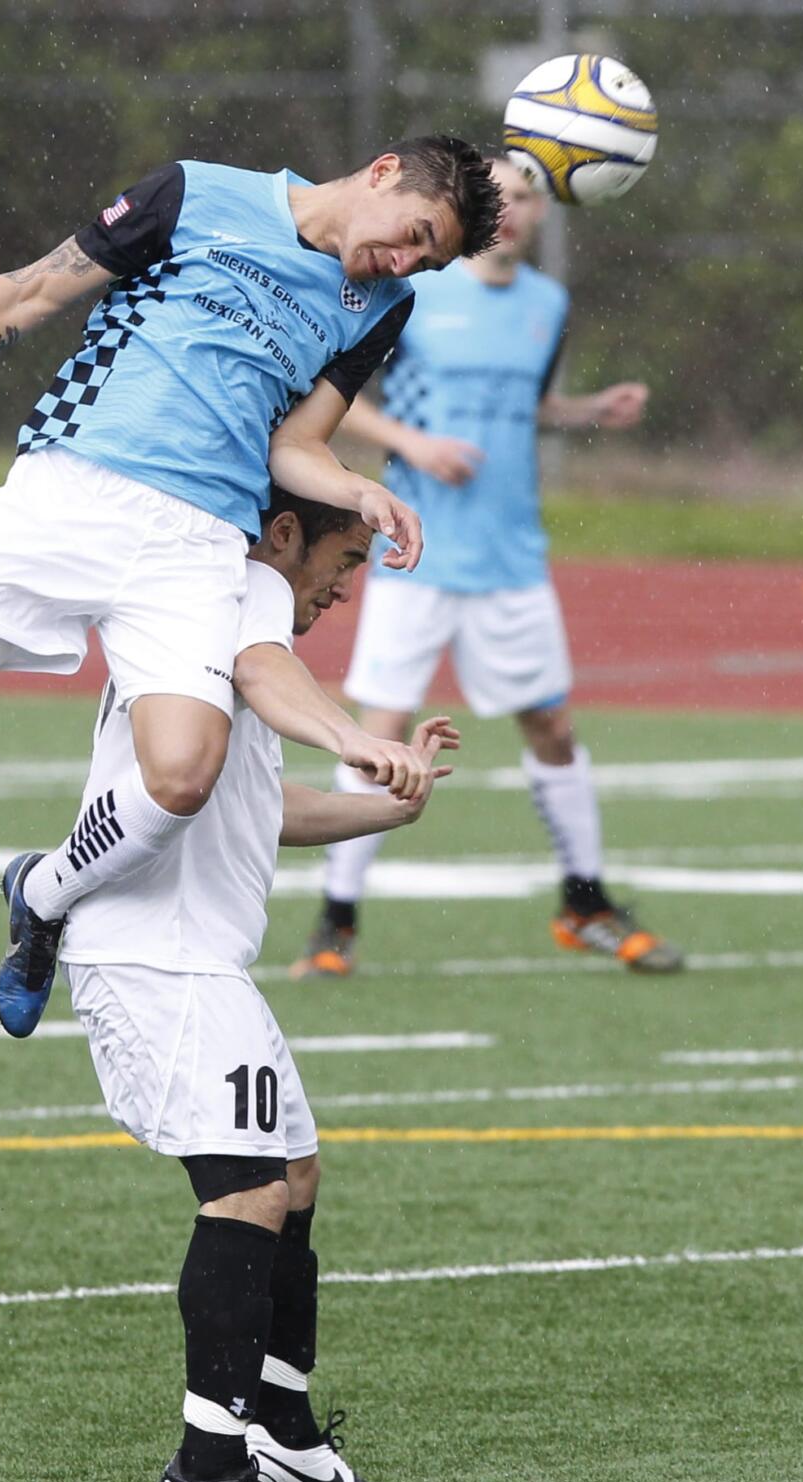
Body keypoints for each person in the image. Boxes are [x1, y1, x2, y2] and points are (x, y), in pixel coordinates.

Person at [0, 138, 502, 1051]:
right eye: (414, 235)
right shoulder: (195, 194)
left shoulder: (385, 305)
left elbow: (296, 446)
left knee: (183, 774)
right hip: (71, 489)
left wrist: (357, 489)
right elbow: (31, 292)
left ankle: (44, 893)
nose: (407, 261)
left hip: (198, 540)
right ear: (382, 172)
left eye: (430, 259)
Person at [52, 489, 457, 1482]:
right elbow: (272, 686)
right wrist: (359, 738)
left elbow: (264, 811)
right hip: (151, 959)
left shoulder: (237, 625)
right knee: (244, 1190)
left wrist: (389, 803)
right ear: (281, 536)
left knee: (295, 1171)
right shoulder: (230, 605)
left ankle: (278, 1428)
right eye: (347, 556)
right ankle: (203, 1466)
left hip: (199, 963)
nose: (348, 581)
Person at [294, 156, 683, 979]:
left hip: (512, 559)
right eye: (500, 192)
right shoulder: (417, 289)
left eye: (530, 195)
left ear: (545, 213)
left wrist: (586, 411)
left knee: (551, 727)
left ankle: (584, 903)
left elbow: (526, 405)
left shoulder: (548, 305)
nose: (513, 207)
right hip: (417, 552)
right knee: (380, 731)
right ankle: (336, 924)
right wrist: (412, 446)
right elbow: (339, 392)